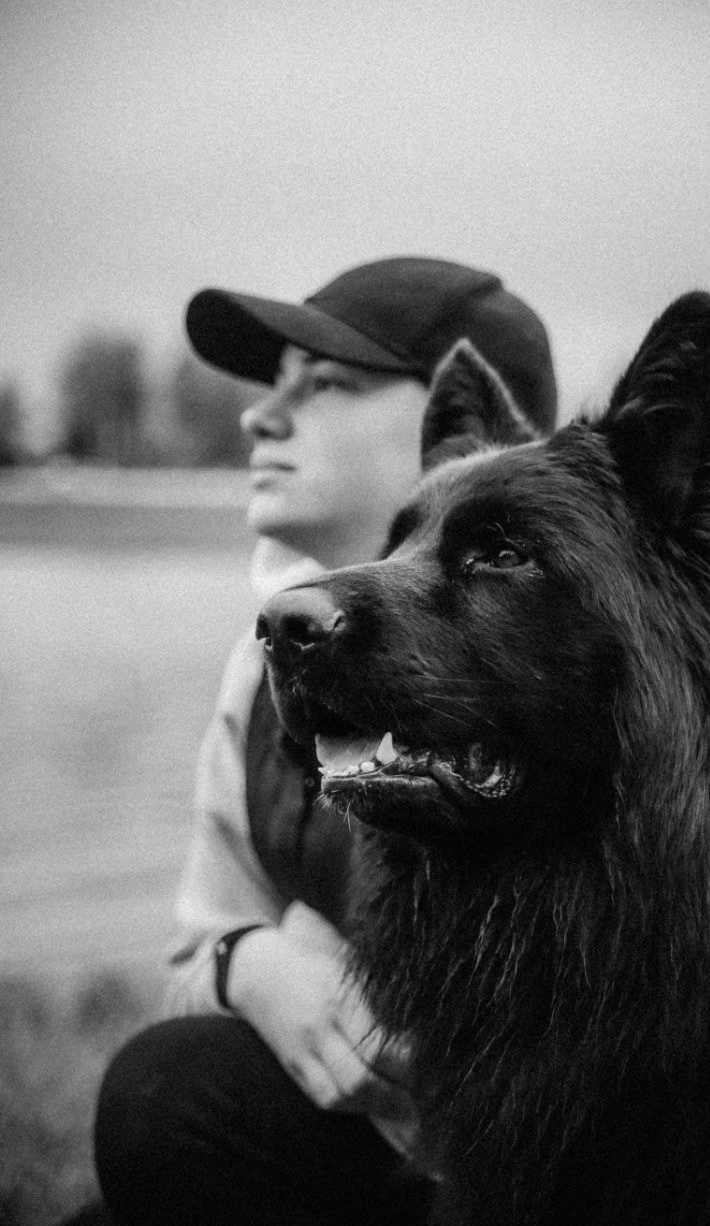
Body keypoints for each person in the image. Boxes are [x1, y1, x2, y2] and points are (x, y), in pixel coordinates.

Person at [90, 257, 558, 1226]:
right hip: (360, 1153)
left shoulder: (562, 689)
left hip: (530, 1170)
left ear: (463, 418)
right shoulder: (260, 664)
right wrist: (247, 966)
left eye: (327, 382)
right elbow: (194, 951)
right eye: (275, 383)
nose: (259, 415)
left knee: (173, 1099)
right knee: (156, 1116)